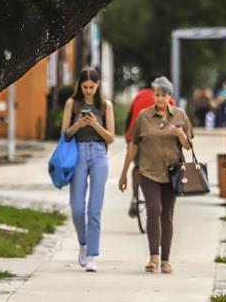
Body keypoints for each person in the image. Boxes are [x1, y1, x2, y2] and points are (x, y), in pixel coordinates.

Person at [119, 76, 193, 274]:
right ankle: (153, 257)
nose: (160, 99)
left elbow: (188, 145)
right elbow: (134, 144)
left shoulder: (180, 115)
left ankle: (166, 260)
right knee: (153, 210)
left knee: (167, 215)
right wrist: (124, 172)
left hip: (172, 173)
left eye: (164, 95)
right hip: (148, 172)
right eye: (157, 95)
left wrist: (180, 135)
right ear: (153, 95)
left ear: (170, 96)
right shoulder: (143, 117)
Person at [61, 67, 115, 272]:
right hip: (78, 153)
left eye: (92, 86)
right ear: (80, 86)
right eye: (85, 86)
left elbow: (110, 137)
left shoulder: (105, 106)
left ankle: (92, 255)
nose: (89, 90)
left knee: (95, 209)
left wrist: (95, 125)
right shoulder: (72, 104)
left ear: (98, 85)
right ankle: (83, 243)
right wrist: (79, 124)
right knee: (76, 207)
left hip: (99, 153)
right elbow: (65, 135)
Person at [124, 81, 174, 217]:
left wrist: (127, 136)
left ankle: (135, 198)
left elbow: (128, 117)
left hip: (135, 137)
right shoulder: (169, 100)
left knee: (138, 167)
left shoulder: (139, 95)